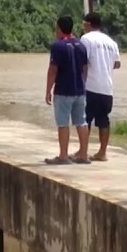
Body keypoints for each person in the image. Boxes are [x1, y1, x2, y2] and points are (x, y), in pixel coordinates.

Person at [45, 15, 91, 165]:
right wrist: (82, 84)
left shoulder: (57, 46)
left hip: (63, 91)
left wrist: (48, 90)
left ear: (59, 28)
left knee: (63, 123)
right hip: (79, 91)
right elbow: (85, 69)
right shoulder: (81, 45)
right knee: (81, 122)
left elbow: (53, 70)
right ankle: (83, 154)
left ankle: (63, 156)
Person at [80, 12, 122, 161]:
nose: (82, 26)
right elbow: (117, 64)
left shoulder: (86, 39)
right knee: (104, 120)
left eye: (83, 23)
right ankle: (102, 152)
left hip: (90, 85)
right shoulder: (111, 42)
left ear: (89, 24)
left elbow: (82, 61)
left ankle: (82, 151)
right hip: (107, 88)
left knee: (85, 119)